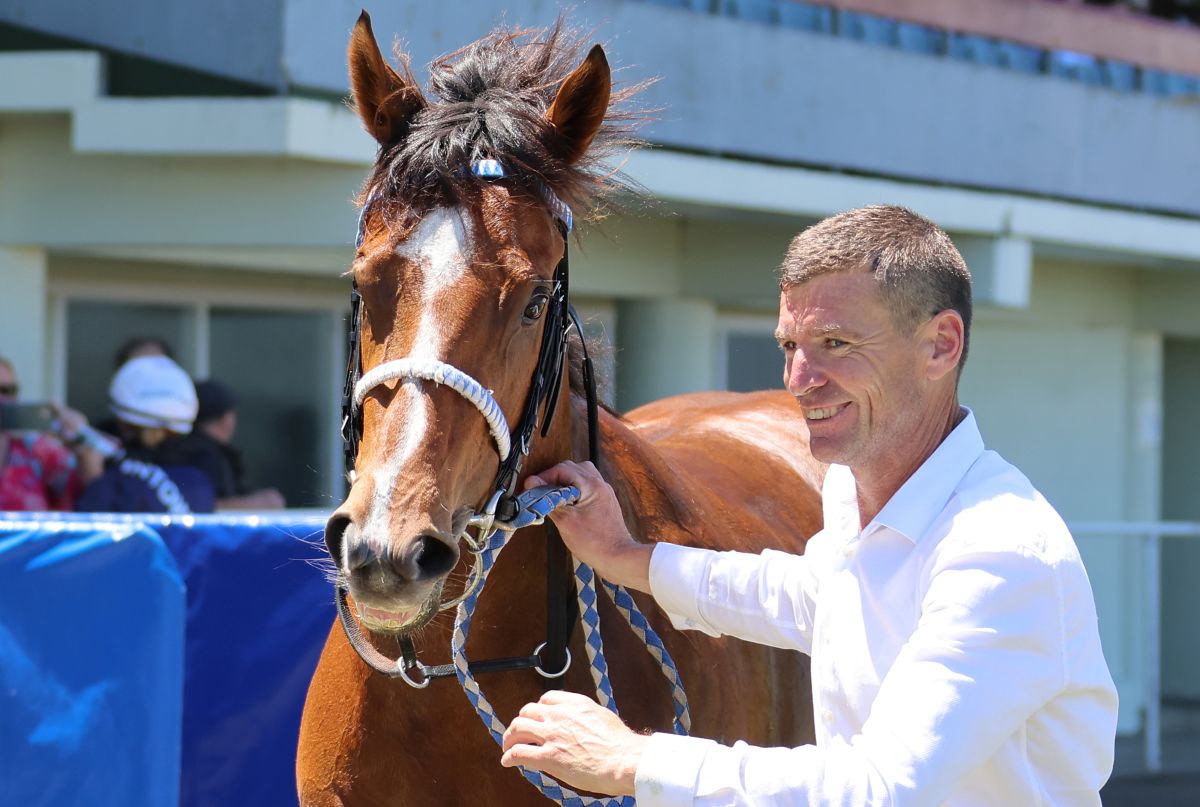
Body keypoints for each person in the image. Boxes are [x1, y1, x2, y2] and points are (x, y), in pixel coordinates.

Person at [499, 206, 1119, 805]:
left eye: (835, 343)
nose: (799, 378)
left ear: (941, 345)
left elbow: (880, 790)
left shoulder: (999, 550)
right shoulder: (857, 492)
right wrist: (625, 556)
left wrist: (634, 761)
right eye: (790, 345)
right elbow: (807, 596)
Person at [76, 355, 215, 514]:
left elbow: (95, 531)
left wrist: (93, 476)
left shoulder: (115, 481)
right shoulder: (200, 475)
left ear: (123, 423)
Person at [0, 354, 106, 511]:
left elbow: (94, 498)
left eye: (8, 390)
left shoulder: (36, 449)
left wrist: (81, 438)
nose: (2, 398)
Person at [177, 379, 285, 511]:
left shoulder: (191, 448)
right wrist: (259, 503)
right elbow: (201, 505)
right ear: (226, 419)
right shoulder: (202, 455)